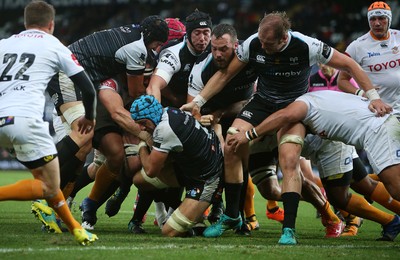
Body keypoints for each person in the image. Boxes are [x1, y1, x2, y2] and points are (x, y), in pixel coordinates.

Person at [181, 11, 391, 244]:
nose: (261, 46)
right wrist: (198, 102)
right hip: (264, 102)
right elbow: (226, 75)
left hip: (294, 106)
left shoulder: (307, 46)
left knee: (289, 160)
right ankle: (232, 215)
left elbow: (349, 64)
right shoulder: (253, 44)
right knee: (231, 142)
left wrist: (372, 96)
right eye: (259, 40)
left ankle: (289, 229)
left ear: (283, 39)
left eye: (267, 43)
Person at [228, 90, 400, 241]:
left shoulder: (291, 110)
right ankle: (389, 221)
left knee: (340, 195)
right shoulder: (292, 105)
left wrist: (249, 134)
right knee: (364, 185)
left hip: (331, 143)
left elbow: (302, 173)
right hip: (332, 140)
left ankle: (381, 221)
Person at [0, 0, 97, 245]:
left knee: (47, 183)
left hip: (2, 120)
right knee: (48, 188)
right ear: (51, 24)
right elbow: (88, 90)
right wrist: (90, 117)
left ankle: (75, 228)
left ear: (25, 22)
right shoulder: (55, 45)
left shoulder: (4, 44)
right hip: (26, 122)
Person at [73, 15, 169, 230]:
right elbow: (117, 113)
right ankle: (82, 201)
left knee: (137, 165)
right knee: (111, 159)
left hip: (133, 121)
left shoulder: (152, 79)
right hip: (111, 116)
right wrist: (145, 135)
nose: (144, 80)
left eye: (148, 77)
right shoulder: (113, 81)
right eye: (140, 74)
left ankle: (130, 208)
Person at [130, 95, 224, 237]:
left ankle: (197, 215)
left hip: (206, 178)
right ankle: (190, 212)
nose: (141, 128)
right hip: (192, 168)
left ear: (153, 115)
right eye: (138, 123)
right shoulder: (169, 111)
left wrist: (142, 144)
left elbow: (151, 171)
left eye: (143, 122)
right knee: (139, 180)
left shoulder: (164, 129)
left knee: (169, 231)